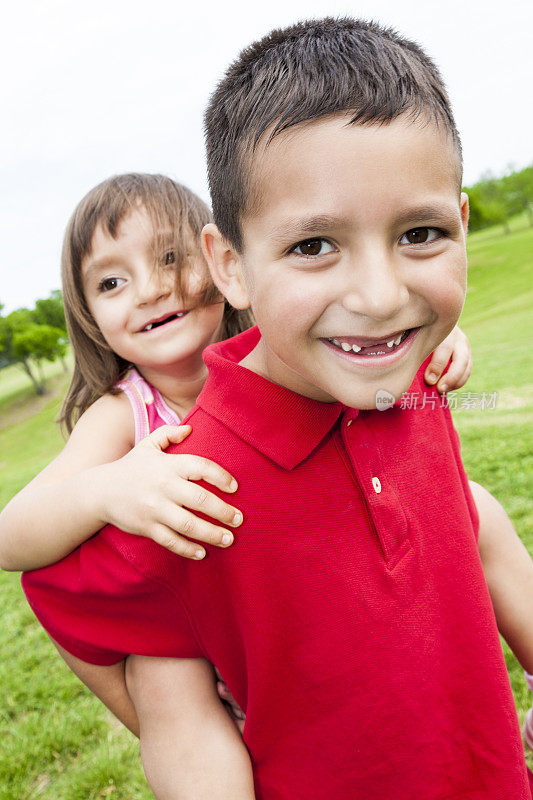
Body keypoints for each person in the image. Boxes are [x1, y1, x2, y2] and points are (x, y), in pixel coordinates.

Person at [18, 18, 533, 799]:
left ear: (461, 225)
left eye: (419, 233)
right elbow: (78, 612)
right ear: (230, 265)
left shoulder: (398, 378)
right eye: (313, 246)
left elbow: (471, 519)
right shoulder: (185, 484)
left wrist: (434, 351)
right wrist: (104, 494)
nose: (379, 296)